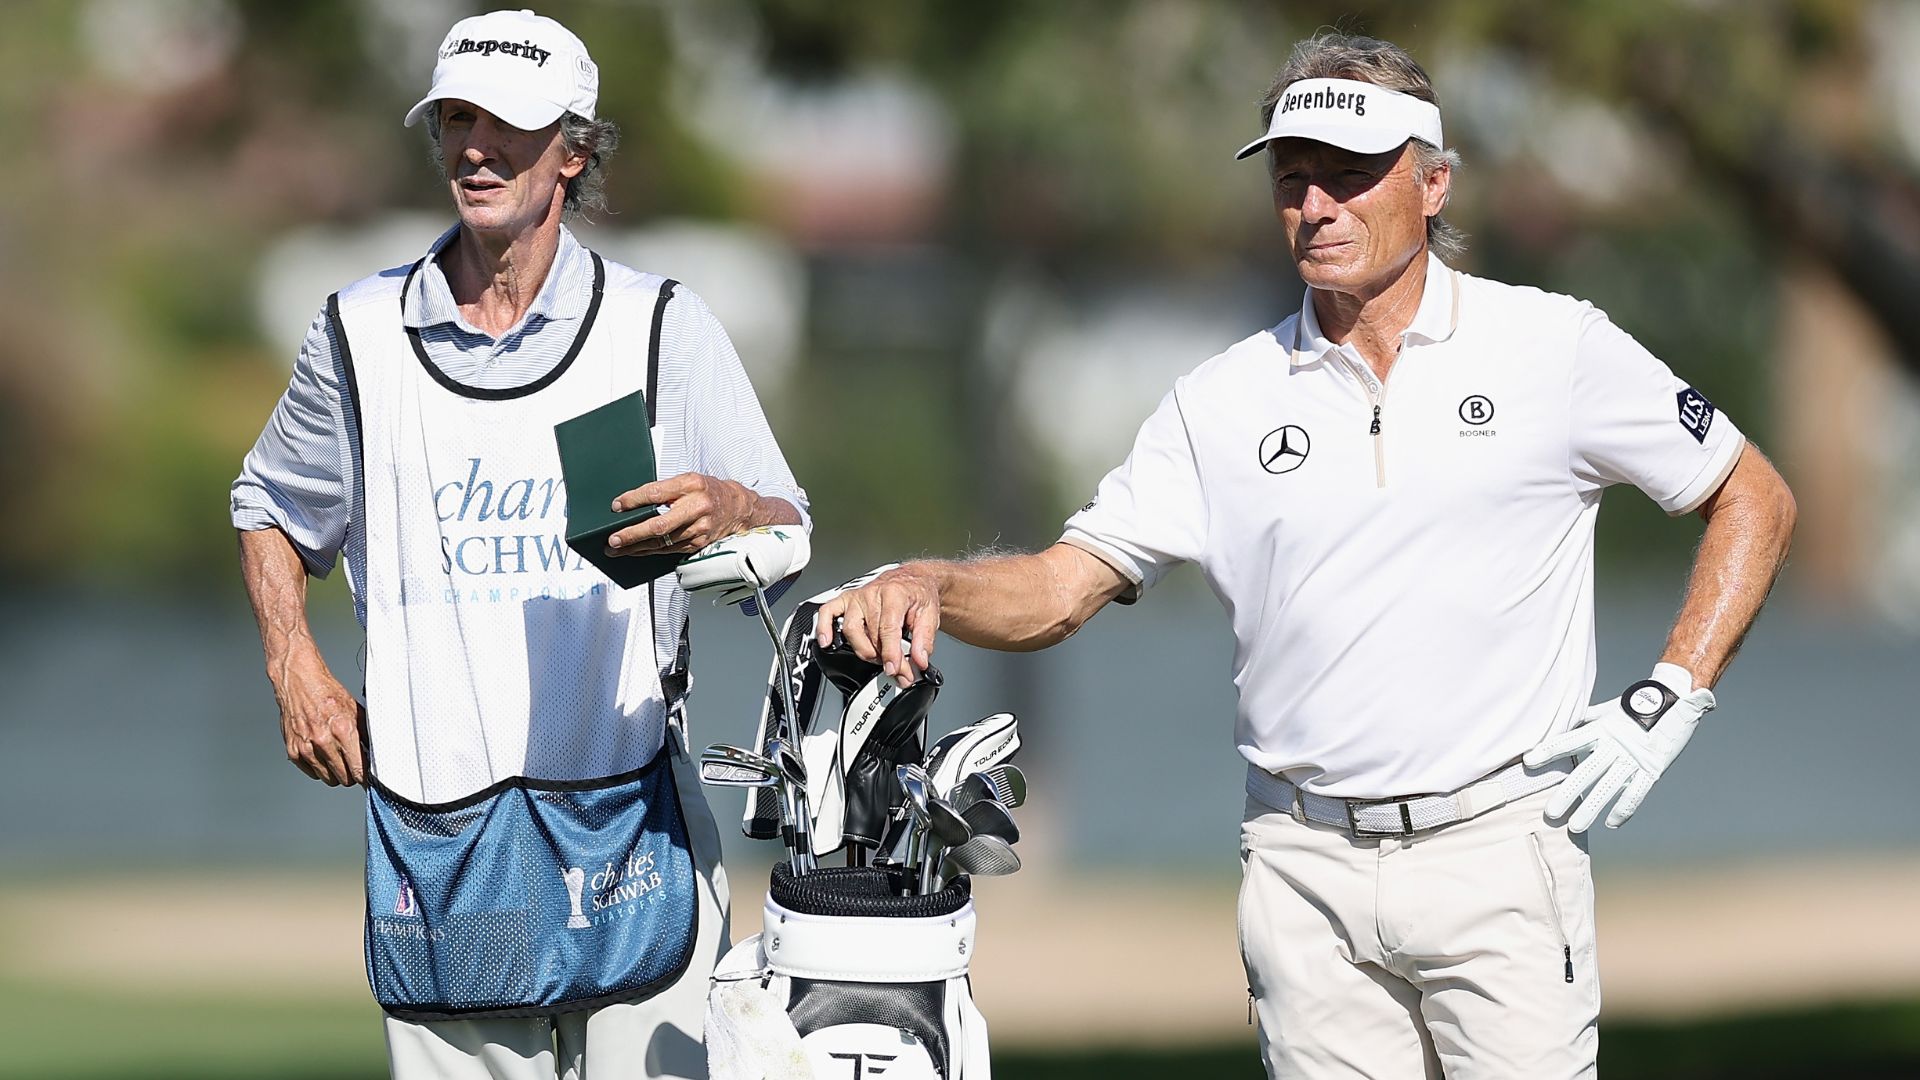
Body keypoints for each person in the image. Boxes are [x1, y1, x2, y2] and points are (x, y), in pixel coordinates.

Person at [815, 31, 1796, 1079]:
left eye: (1350, 175)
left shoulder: (1552, 347)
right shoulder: (1220, 400)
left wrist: (1670, 694)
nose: (1317, 206)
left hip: (1501, 848)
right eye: (1294, 179)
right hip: (1301, 867)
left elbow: (1752, 496)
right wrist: (929, 581)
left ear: (1433, 185)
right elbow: (1062, 587)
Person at [231, 10, 807, 1078]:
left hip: (634, 820)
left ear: (574, 151)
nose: (476, 148)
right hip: (439, 833)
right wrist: (292, 665)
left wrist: (726, 506)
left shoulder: (661, 325)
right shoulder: (358, 333)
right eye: (456, 119)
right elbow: (267, 505)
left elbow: (788, 524)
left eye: (510, 125)